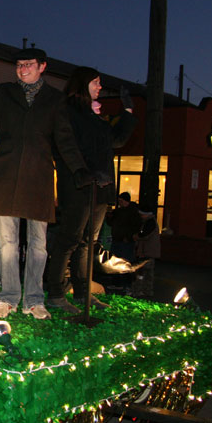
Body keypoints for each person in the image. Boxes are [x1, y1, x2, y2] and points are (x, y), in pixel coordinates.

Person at [0, 31, 91, 320]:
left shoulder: (55, 100)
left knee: (38, 246)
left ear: (42, 66)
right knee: (7, 244)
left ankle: (34, 299)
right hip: (6, 179)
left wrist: (78, 168)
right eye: (19, 66)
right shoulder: (5, 92)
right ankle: (7, 297)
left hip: (39, 181)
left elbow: (66, 140)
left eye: (29, 64)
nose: (23, 69)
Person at [45, 67, 137, 314]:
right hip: (78, 187)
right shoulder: (68, 110)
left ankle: (83, 293)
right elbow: (65, 145)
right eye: (96, 82)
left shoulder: (95, 117)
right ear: (82, 83)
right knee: (69, 239)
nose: (99, 87)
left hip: (101, 189)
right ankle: (55, 293)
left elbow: (116, 140)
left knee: (88, 242)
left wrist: (127, 113)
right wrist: (82, 172)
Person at [133, 206, 161, 297]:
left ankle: (139, 291)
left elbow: (144, 235)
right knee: (147, 273)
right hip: (149, 251)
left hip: (146, 251)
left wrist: (136, 236)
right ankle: (146, 291)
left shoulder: (149, 223)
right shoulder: (151, 222)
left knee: (142, 272)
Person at [109, 191, 142, 262]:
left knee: (124, 259)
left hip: (125, 239)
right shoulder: (119, 211)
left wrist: (128, 236)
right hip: (119, 238)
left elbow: (135, 226)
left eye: (121, 201)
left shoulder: (132, 212)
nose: (120, 203)